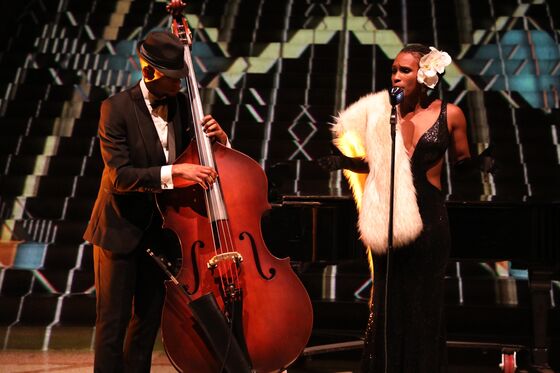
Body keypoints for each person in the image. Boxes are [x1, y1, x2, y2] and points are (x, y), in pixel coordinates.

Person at [83, 30, 229, 373]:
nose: (181, 86)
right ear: (148, 72)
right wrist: (174, 172)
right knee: (113, 326)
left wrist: (220, 141)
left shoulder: (181, 105)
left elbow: (205, 162)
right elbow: (120, 177)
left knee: (147, 323)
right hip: (119, 231)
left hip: (163, 233)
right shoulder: (115, 108)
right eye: (174, 79)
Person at [320, 44, 471, 372]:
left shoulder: (452, 114)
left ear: (426, 74)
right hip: (392, 219)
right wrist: (343, 162)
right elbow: (374, 164)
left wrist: (481, 163)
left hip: (431, 222)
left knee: (424, 306)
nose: (397, 77)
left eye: (406, 70)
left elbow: (464, 162)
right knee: (388, 305)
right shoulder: (384, 114)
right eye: (394, 70)